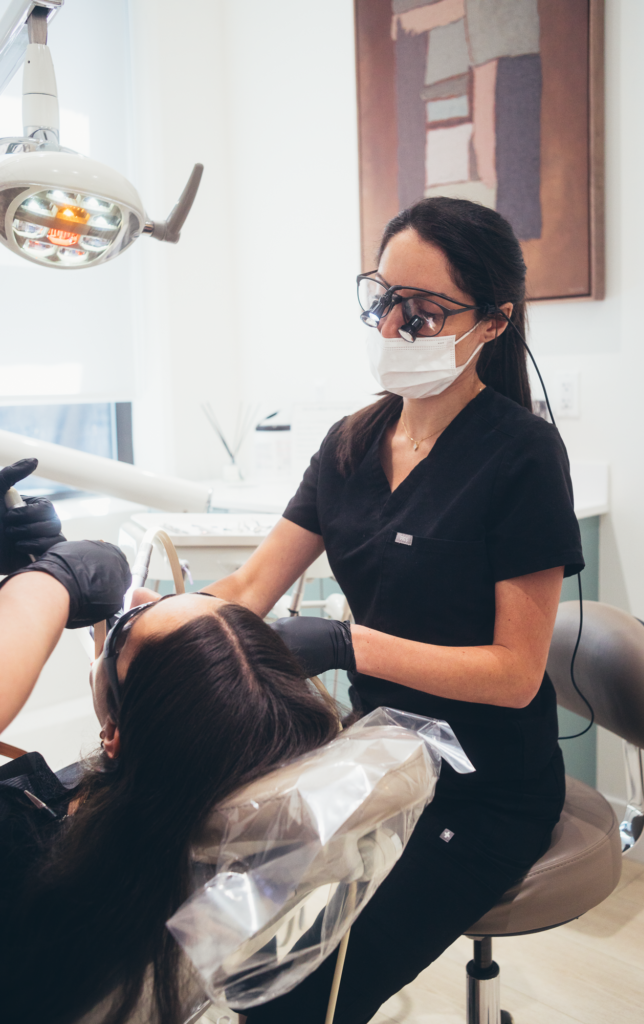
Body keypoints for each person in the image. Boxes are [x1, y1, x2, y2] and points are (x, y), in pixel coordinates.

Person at [204, 197, 585, 1023]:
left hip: (482, 790)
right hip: (369, 764)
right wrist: (151, 622)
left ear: (492, 322)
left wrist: (347, 643)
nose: (391, 329)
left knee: (301, 1000)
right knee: (219, 935)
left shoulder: (520, 454)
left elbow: (515, 676)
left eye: (423, 311)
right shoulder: (349, 443)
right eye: (383, 300)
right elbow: (248, 589)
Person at [0, 539, 338, 1022]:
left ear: (114, 732)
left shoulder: (17, 846)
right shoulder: (205, 856)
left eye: (125, 628)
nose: (137, 597)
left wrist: (46, 586)